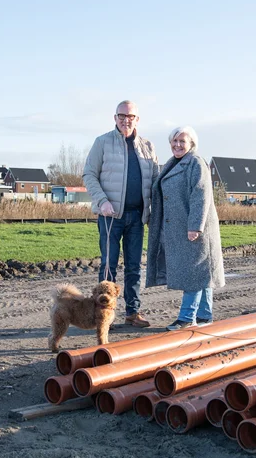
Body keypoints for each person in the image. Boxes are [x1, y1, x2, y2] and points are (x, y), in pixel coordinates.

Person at [83, 100, 159, 328]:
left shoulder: (147, 146)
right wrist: (102, 201)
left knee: (135, 266)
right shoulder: (102, 142)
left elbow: (155, 181)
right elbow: (89, 175)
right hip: (110, 217)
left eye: (131, 116)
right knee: (108, 265)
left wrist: (153, 210)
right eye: (122, 115)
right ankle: (103, 315)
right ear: (115, 117)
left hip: (137, 217)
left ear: (137, 119)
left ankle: (133, 312)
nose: (126, 120)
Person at [146, 126, 225, 330]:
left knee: (193, 272)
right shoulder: (173, 164)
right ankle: (205, 315)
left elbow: (201, 195)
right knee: (201, 272)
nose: (177, 145)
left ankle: (186, 318)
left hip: (195, 228)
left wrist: (195, 226)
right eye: (174, 141)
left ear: (191, 144)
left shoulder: (196, 163)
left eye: (182, 141)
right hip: (181, 228)